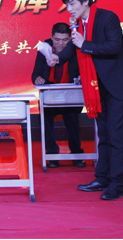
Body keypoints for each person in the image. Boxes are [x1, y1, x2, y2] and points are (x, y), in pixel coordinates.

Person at [50, 0, 123, 201]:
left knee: (116, 135)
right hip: (97, 87)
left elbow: (114, 47)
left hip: (117, 86)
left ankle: (117, 184)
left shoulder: (107, 18)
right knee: (104, 135)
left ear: (85, 1)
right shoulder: (79, 24)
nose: (69, 8)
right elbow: (74, 47)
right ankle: (102, 178)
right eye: (66, 4)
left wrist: (86, 44)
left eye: (72, 3)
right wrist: (58, 58)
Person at [32, 23, 85, 168]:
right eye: (57, 39)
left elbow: (82, 71)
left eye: (65, 40)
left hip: (71, 95)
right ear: (51, 37)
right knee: (45, 116)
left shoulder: (75, 49)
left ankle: (77, 153)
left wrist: (80, 79)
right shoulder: (44, 48)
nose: (61, 43)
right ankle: (52, 154)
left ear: (70, 39)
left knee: (72, 116)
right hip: (51, 95)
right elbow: (35, 73)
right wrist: (38, 79)